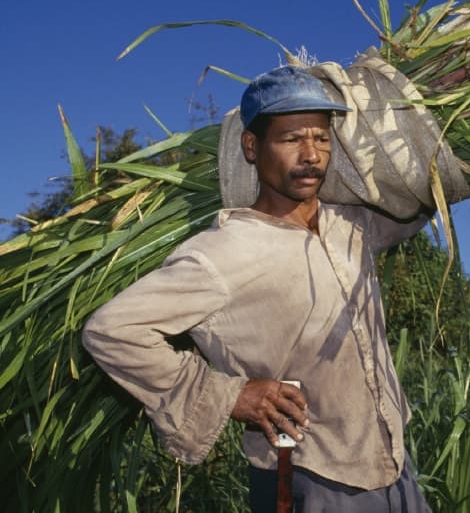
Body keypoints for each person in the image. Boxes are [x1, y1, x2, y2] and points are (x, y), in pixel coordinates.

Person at [83, 65, 432, 512]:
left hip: (393, 464)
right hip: (309, 476)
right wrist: (232, 395)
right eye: (291, 139)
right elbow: (111, 330)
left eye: (322, 138)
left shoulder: (351, 225)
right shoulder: (223, 253)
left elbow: (419, 193)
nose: (311, 155)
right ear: (252, 146)